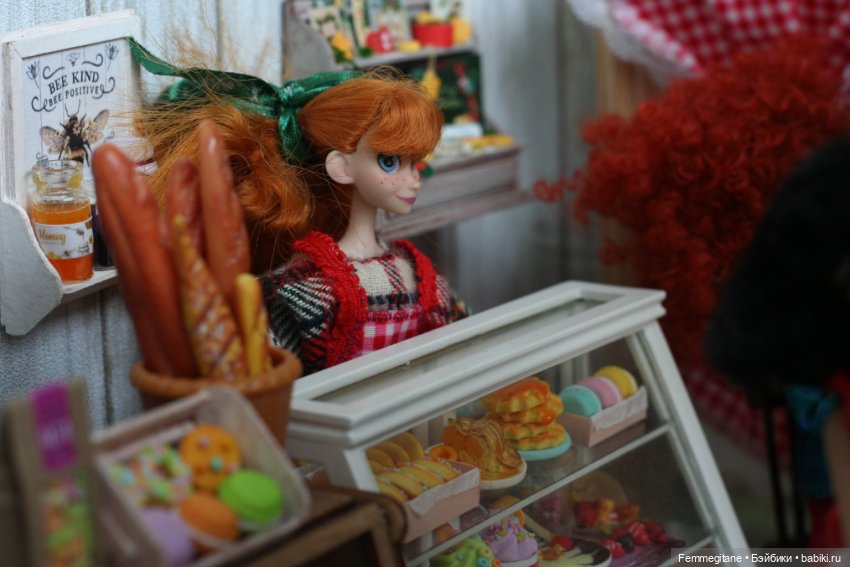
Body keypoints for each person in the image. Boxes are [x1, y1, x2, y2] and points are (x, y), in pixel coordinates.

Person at [130, 41, 468, 375]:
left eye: (415, 162)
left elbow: (464, 345)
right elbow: (268, 377)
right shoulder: (310, 291)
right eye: (390, 162)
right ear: (342, 167)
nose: (413, 180)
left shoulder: (419, 274)